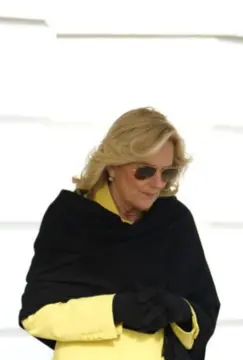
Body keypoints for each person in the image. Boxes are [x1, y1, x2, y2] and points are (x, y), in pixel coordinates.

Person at [18, 107, 221, 360]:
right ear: (112, 166)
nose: (157, 183)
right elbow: (36, 316)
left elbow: (204, 310)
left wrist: (179, 311)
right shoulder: (71, 218)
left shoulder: (174, 221)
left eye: (166, 172)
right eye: (144, 171)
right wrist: (115, 309)